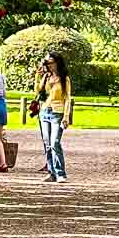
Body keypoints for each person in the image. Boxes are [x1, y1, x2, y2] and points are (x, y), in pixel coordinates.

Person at [34, 52, 71, 182]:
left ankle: (61, 173)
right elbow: (38, 92)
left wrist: (66, 116)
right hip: (45, 112)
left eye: (50, 62)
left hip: (57, 112)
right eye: (47, 63)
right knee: (47, 144)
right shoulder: (46, 77)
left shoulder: (64, 78)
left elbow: (67, 98)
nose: (48, 65)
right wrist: (38, 77)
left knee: (55, 142)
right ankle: (52, 172)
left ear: (57, 63)